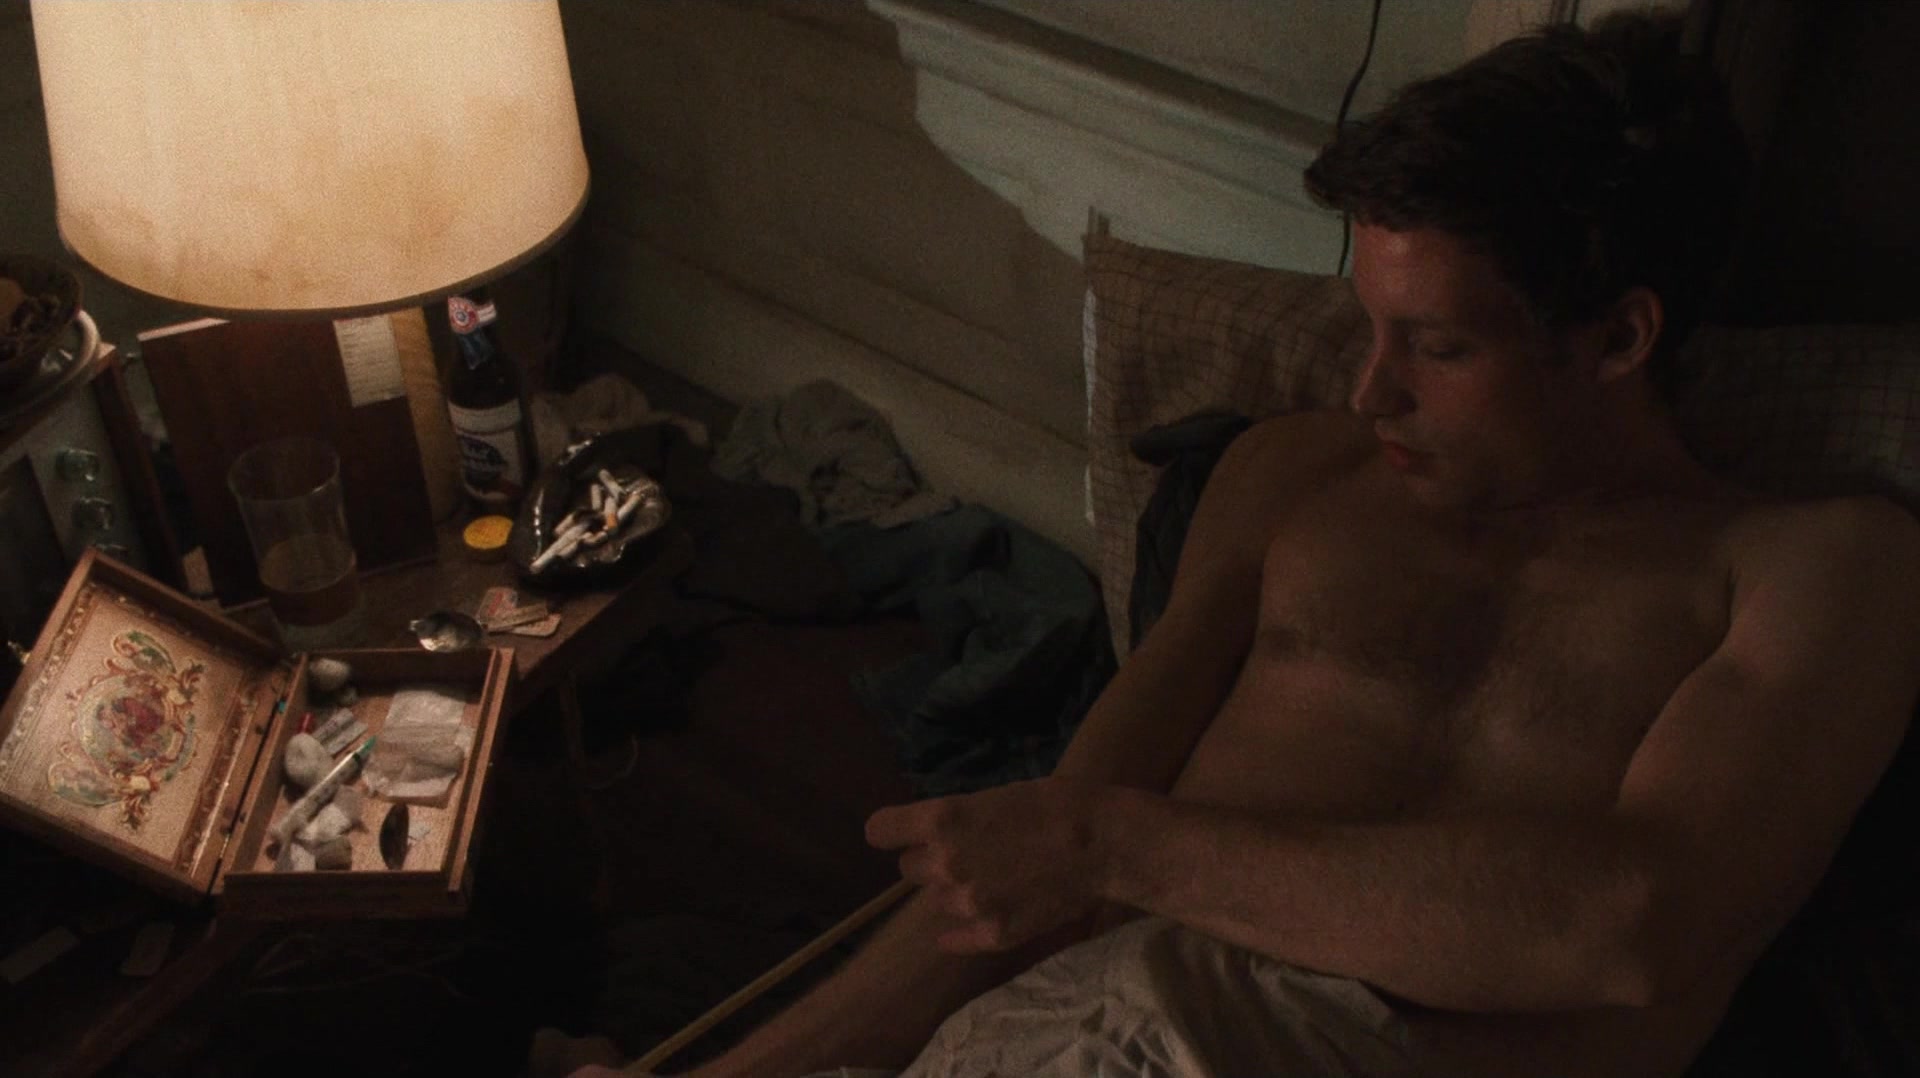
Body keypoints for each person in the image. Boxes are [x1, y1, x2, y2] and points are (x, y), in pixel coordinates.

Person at [578, 12, 1920, 1078]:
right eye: (1370, 327)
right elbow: (1027, 864)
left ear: (1620, 336)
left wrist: (1117, 849)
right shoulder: (1300, 477)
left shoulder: (1811, 570)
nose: (1370, 390)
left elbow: (1629, 930)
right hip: (1077, 1024)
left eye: (1438, 347)